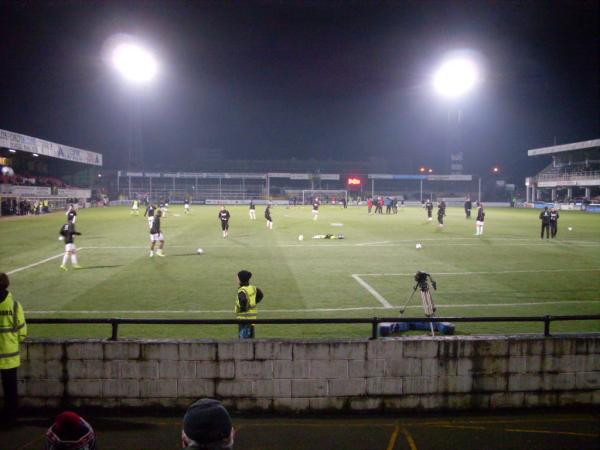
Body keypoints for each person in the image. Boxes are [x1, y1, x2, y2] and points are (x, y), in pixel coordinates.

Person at [0, 273, 27, 425]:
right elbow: (22, 332)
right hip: (9, 357)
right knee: (10, 390)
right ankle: (11, 419)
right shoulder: (15, 305)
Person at [235, 270, 263, 339]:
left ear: (240, 280)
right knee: (251, 340)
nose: (236, 279)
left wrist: (243, 308)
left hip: (244, 320)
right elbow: (261, 295)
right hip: (252, 319)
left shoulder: (242, 291)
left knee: (244, 343)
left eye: (237, 277)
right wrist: (254, 303)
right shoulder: (253, 288)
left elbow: (243, 300)